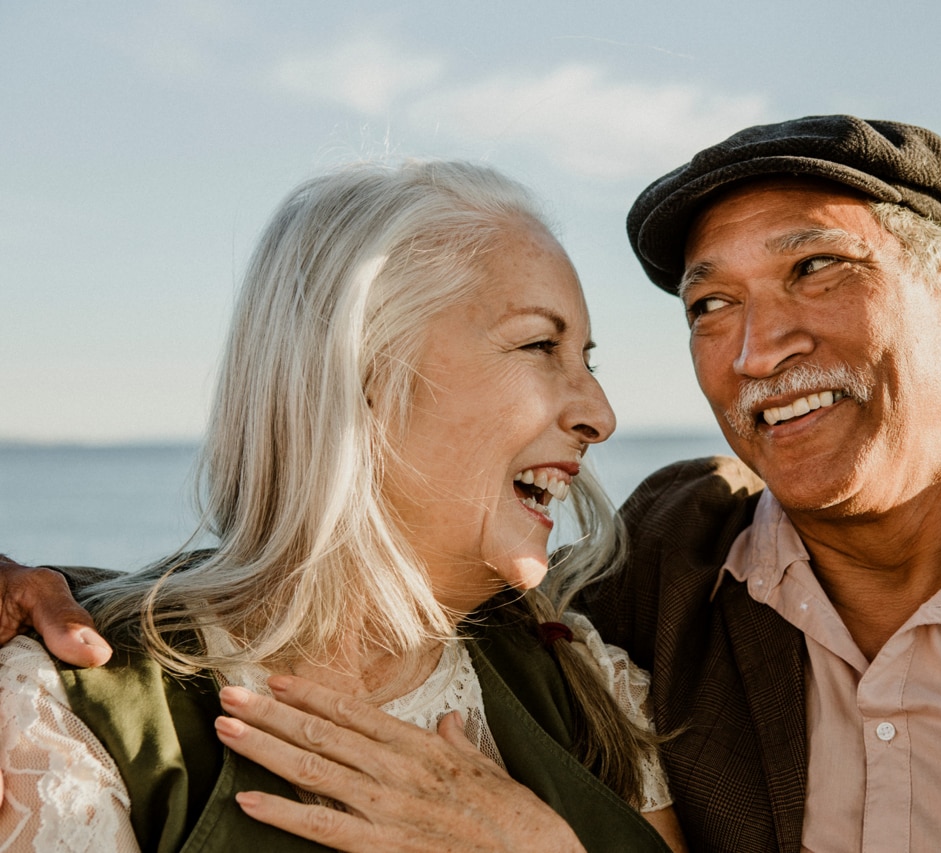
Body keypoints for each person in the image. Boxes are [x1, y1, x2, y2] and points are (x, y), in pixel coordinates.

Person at [1, 115, 941, 852]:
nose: (755, 348)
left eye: (813, 268)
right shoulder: (653, 597)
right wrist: (44, 598)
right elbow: (236, 607)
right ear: (362, 379)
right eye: (707, 305)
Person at [0, 160, 687, 852]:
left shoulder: (590, 683)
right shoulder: (62, 715)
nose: (600, 413)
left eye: (587, 360)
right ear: (364, 370)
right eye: (541, 344)